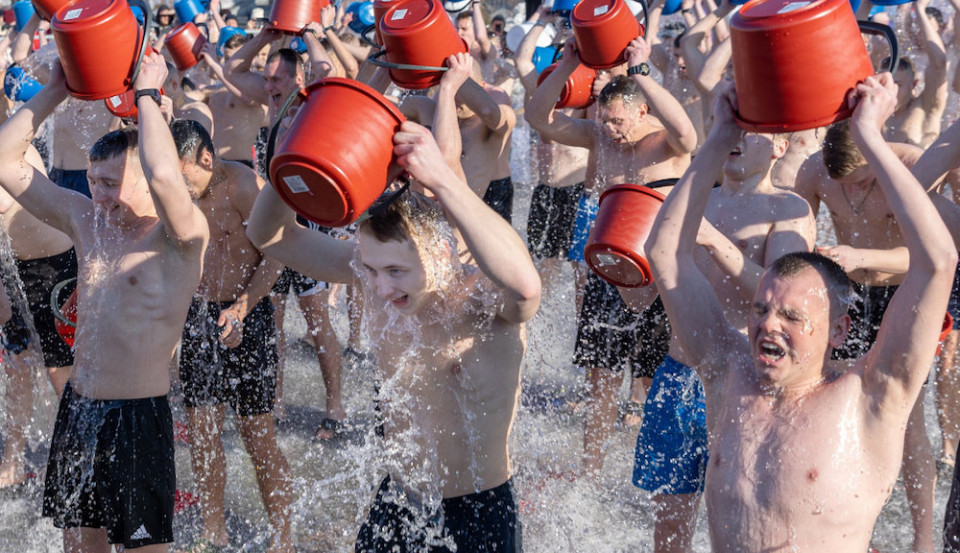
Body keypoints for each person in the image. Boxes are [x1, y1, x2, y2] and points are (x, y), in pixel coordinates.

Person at [648, 74, 956, 551]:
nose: (768, 324)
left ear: (839, 329)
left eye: (792, 316)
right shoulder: (727, 374)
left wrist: (870, 137)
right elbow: (666, 255)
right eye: (761, 309)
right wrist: (719, 137)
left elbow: (937, 263)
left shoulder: (870, 397)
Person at [246, 120, 540, 552]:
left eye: (397, 271)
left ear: (439, 254)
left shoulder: (480, 298)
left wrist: (440, 177)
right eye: (370, 269)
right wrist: (294, 147)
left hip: (476, 508)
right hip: (399, 499)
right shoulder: (375, 277)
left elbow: (526, 288)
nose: (381, 289)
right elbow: (268, 235)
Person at [0, 52, 208, 552]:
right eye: (93, 182)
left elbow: (163, 177)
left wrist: (148, 95)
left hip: (137, 419)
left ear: (143, 179)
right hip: (79, 410)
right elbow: (5, 162)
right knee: (78, 546)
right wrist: (52, 91)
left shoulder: (178, 236)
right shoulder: (85, 220)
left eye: (112, 183)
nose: (100, 195)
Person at [620, 123, 815, 552]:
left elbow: (782, 297)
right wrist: (618, 260)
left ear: (780, 147)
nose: (739, 139)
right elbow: (640, 300)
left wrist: (711, 239)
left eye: (754, 132)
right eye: (734, 129)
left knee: (748, 523)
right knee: (668, 525)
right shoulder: (689, 201)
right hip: (677, 374)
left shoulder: (787, 208)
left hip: (745, 384)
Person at [526, 36, 697, 476]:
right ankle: (590, 469)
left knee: (656, 378)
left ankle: (671, 469)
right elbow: (537, 117)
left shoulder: (664, 144)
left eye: (618, 121)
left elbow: (689, 134)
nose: (610, 129)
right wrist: (565, 65)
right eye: (604, 121)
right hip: (609, 270)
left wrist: (641, 73)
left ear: (642, 111)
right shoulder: (599, 138)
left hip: (660, 274)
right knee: (601, 376)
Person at [793, 112, 937, 553]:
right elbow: (798, 237)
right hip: (849, 296)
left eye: (862, 181)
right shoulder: (813, 169)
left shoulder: (908, 164)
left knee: (906, 422)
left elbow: (933, 253)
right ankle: (838, 529)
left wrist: (863, 254)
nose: (853, 191)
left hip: (901, 295)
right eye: (845, 185)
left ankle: (922, 538)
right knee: (832, 407)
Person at [170, 119, 293, 553]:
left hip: (248, 312)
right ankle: (213, 528)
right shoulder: (176, 192)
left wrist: (244, 306)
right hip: (200, 316)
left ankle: (282, 537)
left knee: (256, 433)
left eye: (183, 176)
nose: (179, 188)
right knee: (201, 429)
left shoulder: (244, 187)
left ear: (206, 159)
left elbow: (278, 254)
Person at [0, 144, 78, 489]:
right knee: (17, 364)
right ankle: (13, 457)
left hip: (53, 267)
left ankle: (73, 455)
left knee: (60, 370)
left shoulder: (14, 143)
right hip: (9, 269)